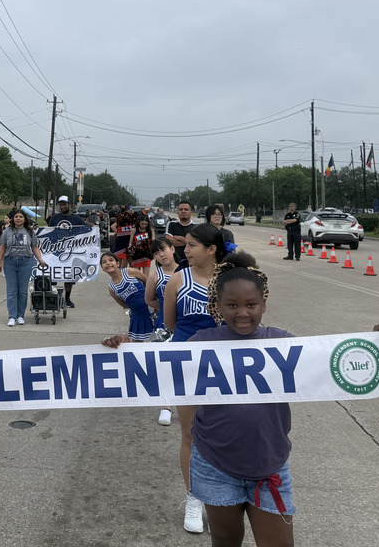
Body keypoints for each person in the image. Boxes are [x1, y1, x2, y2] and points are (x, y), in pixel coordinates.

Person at [189, 255, 379, 546]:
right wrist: (121, 352)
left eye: (251, 305)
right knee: (225, 541)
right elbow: (157, 369)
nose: (242, 313)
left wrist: (371, 342)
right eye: (232, 305)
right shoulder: (201, 342)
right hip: (214, 463)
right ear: (218, 304)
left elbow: (326, 364)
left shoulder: (284, 343)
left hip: (268, 463)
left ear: (263, 304)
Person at [163, 223, 225, 533]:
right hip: (186, 362)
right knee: (190, 434)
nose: (184, 250)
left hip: (224, 365)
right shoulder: (178, 279)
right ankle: (194, 498)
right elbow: (170, 323)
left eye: (191, 246)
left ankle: (223, 497)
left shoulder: (230, 279)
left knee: (223, 434)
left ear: (212, 249)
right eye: (184, 245)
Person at [145, 236, 178, 426]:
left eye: (163, 249)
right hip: (164, 325)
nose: (161, 255)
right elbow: (149, 299)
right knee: (166, 366)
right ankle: (167, 405)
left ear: (172, 249)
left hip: (187, 323)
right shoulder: (155, 275)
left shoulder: (188, 270)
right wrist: (167, 309)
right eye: (156, 253)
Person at [0, 210, 48, 327]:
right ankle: (12, 316)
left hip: (26, 263)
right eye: (16, 217)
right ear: (12, 219)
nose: (18, 218)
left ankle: (20, 316)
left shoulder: (29, 232)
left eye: (20, 217)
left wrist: (40, 260)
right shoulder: (7, 231)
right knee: (11, 291)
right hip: (10, 262)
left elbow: (34, 247)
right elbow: (2, 247)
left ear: (24, 219)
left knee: (22, 291)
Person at [100, 252, 154, 341]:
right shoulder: (111, 288)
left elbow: (148, 282)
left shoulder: (130, 272)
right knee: (138, 342)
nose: (108, 263)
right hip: (137, 316)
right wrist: (136, 306)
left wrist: (149, 301)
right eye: (104, 262)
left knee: (158, 338)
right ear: (102, 268)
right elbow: (124, 305)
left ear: (117, 263)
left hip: (151, 309)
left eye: (111, 260)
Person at [47, 195, 86, 308]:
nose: (63, 206)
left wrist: (91, 228)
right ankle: (52, 297)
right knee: (53, 276)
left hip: (71, 252)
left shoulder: (77, 219)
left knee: (69, 277)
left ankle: (67, 299)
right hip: (56, 251)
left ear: (69, 205)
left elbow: (84, 232)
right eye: (61, 204)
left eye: (64, 204)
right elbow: (49, 232)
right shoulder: (54, 218)